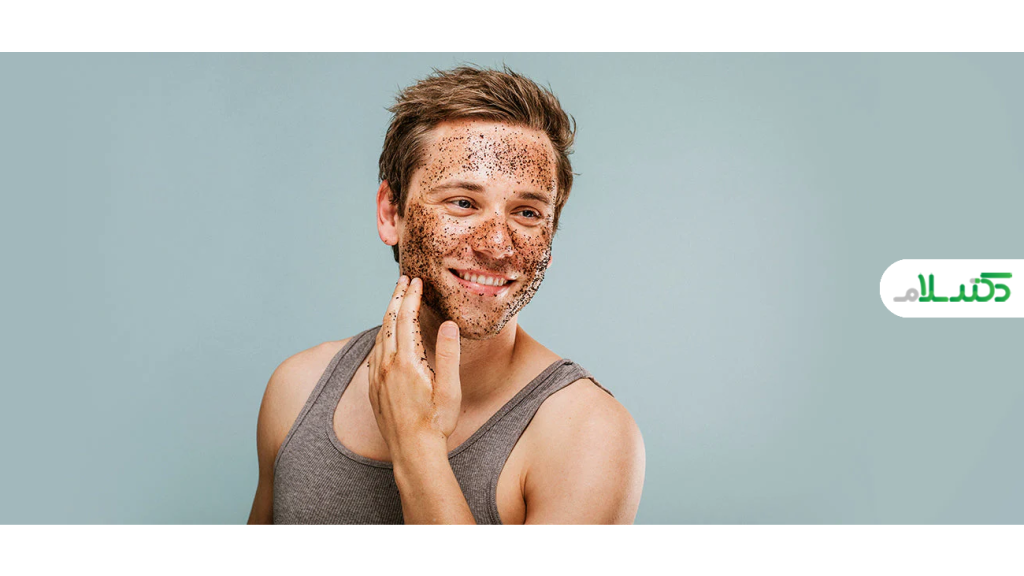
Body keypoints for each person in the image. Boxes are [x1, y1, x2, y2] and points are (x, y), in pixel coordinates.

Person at [247, 66, 645, 525]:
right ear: (391, 213)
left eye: (527, 212)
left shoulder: (589, 435)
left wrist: (416, 443)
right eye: (462, 203)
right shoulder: (297, 390)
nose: (497, 245)